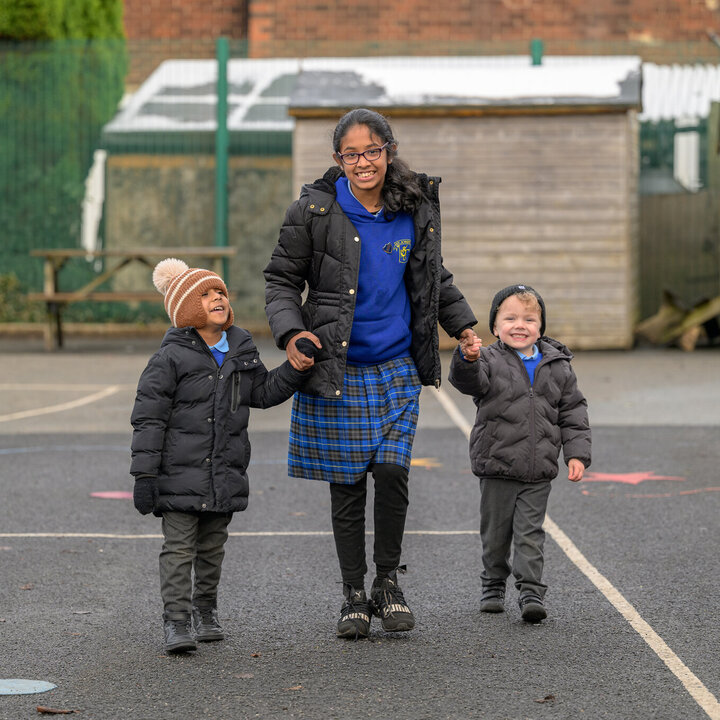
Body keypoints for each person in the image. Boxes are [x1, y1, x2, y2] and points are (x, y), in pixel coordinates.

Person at [264, 107, 478, 639]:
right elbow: (281, 281)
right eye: (351, 154)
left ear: (390, 151)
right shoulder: (313, 211)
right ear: (338, 158)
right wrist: (291, 335)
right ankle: (353, 595)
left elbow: (432, 277)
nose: (363, 162)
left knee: (392, 471)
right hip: (337, 368)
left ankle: (387, 582)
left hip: (396, 368)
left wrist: (464, 327)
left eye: (372, 151)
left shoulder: (414, 205)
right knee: (347, 485)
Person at [130, 257, 311, 653]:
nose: (217, 299)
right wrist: (144, 476)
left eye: (220, 293)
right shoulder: (169, 358)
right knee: (179, 549)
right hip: (178, 475)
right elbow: (148, 419)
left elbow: (262, 392)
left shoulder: (240, 347)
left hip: (224, 472)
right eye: (206, 295)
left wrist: (295, 369)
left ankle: (205, 611)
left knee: (212, 549)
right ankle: (177, 622)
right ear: (186, 308)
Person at [448, 284, 591, 622]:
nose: (519, 325)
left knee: (530, 533)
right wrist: (468, 359)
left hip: (538, 469)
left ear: (541, 327)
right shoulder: (488, 360)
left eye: (529, 319)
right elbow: (469, 382)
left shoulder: (558, 365)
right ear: (495, 326)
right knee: (496, 534)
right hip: (497, 464)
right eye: (510, 318)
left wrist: (576, 454)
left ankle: (531, 592)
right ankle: (493, 583)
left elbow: (573, 412)